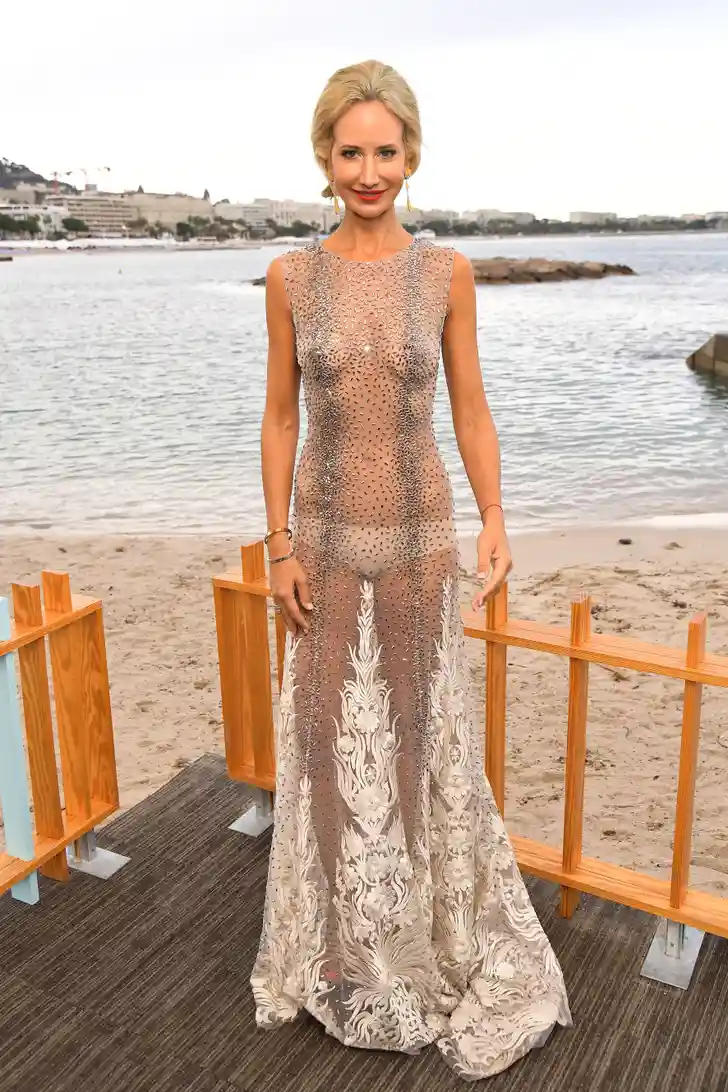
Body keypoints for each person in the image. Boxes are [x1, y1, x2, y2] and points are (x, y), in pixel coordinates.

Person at [251, 58, 571, 1081]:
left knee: (417, 746)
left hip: (423, 536)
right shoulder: (290, 279)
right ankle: (339, 954)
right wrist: (277, 544)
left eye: (384, 151)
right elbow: (279, 417)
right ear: (323, 156)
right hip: (323, 540)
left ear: (411, 155)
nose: (368, 171)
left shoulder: (447, 274)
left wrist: (495, 517)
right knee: (325, 749)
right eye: (349, 152)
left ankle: (424, 944)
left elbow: (470, 408)